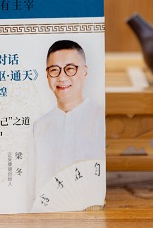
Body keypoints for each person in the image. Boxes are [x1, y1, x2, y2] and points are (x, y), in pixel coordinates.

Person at [31, 39, 105, 197]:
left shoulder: (101, 118)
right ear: (47, 74)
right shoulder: (39, 126)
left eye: (70, 69)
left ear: (85, 71)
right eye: (54, 70)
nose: (62, 77)